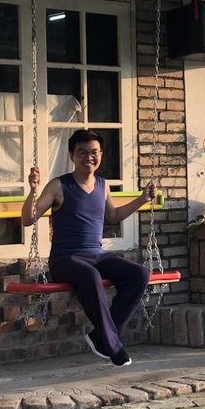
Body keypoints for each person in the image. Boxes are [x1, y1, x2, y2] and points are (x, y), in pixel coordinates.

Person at [21, 129, 155, 367]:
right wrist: (33, 190)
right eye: (82, 152)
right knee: (91, 276)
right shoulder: (58, 185)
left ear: (101, 154)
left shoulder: (103, 185)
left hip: (96, 255)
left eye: (94, 152)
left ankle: (101, 337)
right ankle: (113, 346)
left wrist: (142, 199)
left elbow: (113, 216)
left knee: (139, 274)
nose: (89, 157)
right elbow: (27, 219)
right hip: (65, 259)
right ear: (72, 155)